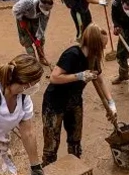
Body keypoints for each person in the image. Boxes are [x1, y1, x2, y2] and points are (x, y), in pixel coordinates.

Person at [42, 24, 117, 165]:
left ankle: (76, 165)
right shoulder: (72, 54)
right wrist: (79, 76)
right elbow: (54, 77)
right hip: (55, 103)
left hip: (74, 101)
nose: (104, 49)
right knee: (52, 142)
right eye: (103, 45)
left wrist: (111, 103)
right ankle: (47, 173)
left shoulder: (93, 58)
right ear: (94, 44)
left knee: (75, 139)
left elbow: (99, 80)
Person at [13, 0, 54, 66]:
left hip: (35, 19)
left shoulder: (47, 9)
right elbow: (16, 10)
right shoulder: (26, 2)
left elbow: (43, 25)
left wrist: (38, 38)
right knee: (27, 41)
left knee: (40, 40)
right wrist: (21, 20)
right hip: (23, 17)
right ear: (39, 5)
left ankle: (42, 58)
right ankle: (33, 61)